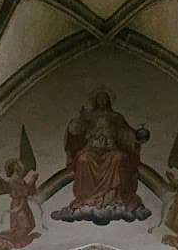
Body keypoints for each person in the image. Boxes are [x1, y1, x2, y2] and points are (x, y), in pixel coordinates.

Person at [52, 89, 149, 222]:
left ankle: (114, 197)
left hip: (110, 148)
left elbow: (126, 132)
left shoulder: (116, 117)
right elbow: (76, 130)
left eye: (105, 98)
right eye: (99, 98)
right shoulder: (89, 116)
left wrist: (137, 136)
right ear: (95, 101)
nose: (102, 101)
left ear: (108, 101)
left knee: (119, 158)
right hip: (92, 148)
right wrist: (81, 118)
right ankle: (87, 198)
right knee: (83, 159)